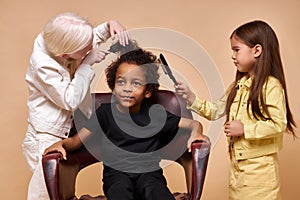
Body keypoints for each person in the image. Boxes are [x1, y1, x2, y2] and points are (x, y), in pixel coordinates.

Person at [44, 46, 210, 200]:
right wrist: (61, 144)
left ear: (148, 91)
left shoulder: (156, 114)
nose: (127, 88)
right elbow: (75, 142)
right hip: (116, 175)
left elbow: (193, 125)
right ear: (113, 85)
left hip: (150, 174)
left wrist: (197, 134)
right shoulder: (105, 113)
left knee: (157, 193)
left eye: (136, 83)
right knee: (120, 193)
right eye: (121, 82)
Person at [175, 20, 296, 200]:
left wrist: (244, 129)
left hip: (260, 174)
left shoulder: (271, 86)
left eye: (236, 50)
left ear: (257, 50)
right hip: (239, 172)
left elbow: (278, 123)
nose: (233, 56)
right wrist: (192, 98)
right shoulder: (238, 86)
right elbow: (216, 110)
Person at [22, 12, 130, 200]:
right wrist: (86, 64)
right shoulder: (43, 65)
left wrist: (108, 26)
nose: (91, 48)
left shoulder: (59, 39)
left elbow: (86, 40)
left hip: (74, 125)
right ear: (65, 55)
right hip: (48, 135)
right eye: (85, 49)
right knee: (45, 193)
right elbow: (70, 99)